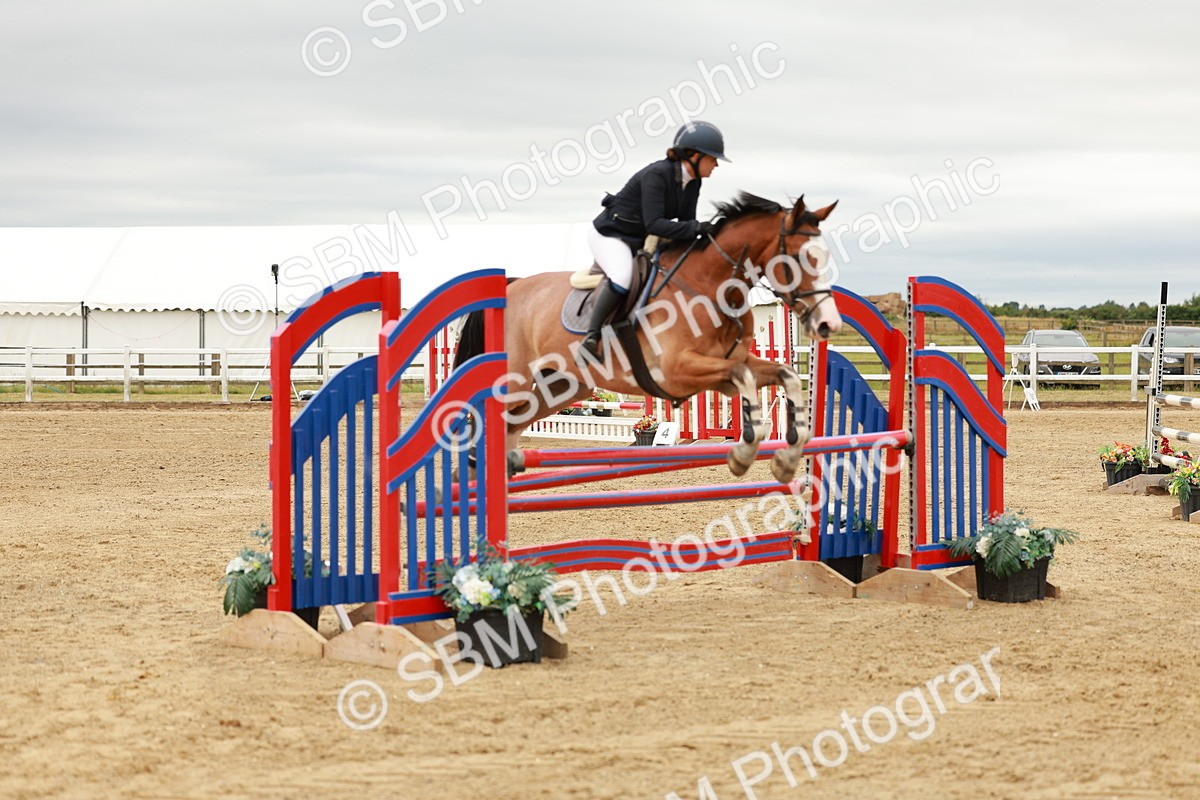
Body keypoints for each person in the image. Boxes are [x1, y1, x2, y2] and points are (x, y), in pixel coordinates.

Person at [580, 120, 730, 361]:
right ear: (694, 156)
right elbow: (655, 224)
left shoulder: (693, 182)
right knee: (622, 277)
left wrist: (706, 235)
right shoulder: (657, 174)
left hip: (637, 239)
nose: (716, 165)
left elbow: (685, 223)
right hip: (610, 235)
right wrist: (698, 227)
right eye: (713, 159)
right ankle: (591, 338)